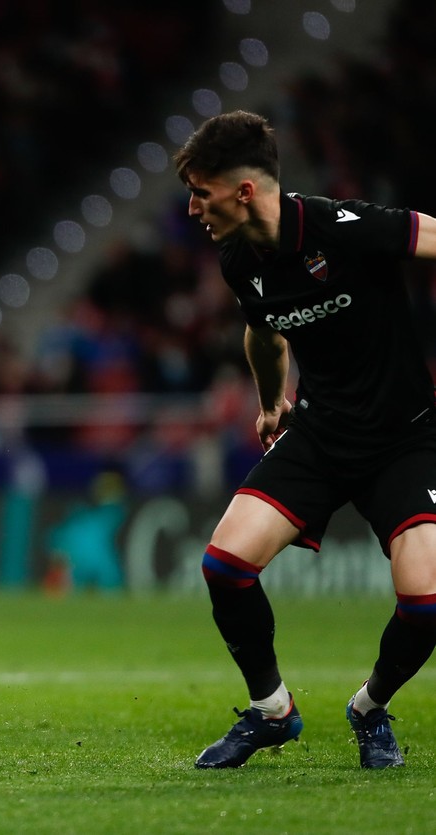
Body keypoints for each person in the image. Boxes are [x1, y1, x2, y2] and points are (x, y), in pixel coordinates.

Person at [175, 110, 436, 770]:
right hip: (320, 431)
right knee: (225, 564)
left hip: (403, 439)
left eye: (200, 192)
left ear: (242, 192)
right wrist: (271, 402)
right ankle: (271, 710)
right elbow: (263, 332)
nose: (191, 207)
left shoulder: (342, 227)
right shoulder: (238, 259)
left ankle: (370, 708)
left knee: (427, 601)